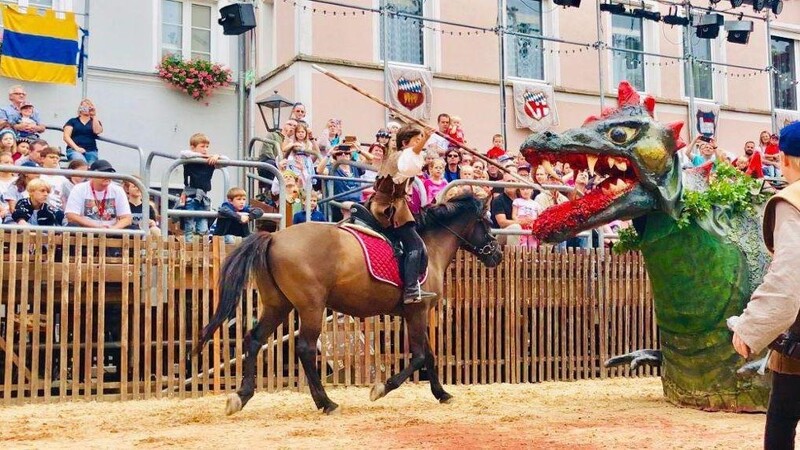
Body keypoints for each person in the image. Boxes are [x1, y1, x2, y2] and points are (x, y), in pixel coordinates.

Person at [731, 121, 800, 449]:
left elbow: (788, 278)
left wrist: (750, 328)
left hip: (798, 347)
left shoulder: (794, 199)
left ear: (786, 159)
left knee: (781, 425)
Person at [366, 125, 436, 303]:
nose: (420, 144)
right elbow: (411, 162)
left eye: (420, 140)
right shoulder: (401, 157)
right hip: (387, 208)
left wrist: (422, 141)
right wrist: (426, 139)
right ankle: (411, 290)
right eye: (416, 140)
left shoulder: (401, 157)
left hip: (393, 205)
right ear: (405, 143)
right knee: (415, 246)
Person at [180, 133, 226, 243]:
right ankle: (188, 245)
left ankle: (203, 247)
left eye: (207, 147)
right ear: (193, 147)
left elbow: (226, 161)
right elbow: (183, 154)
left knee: (203, 225)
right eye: (202, 146)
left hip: (203, 196)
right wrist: (203, 157)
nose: (205, 150)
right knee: (189, 224)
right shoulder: (190, 158)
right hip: (191, 195)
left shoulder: (210, 161)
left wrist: (217, 156)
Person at [64, 159, 132, 229]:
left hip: (111, 230)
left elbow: (127, 218)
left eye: (110, 173)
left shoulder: (118, 190)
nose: (107, 176)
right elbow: (71, 216)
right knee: (72, 226)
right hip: (85, 230)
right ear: (92, 175)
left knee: (133, 229)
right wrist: (97, 227)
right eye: (103, 173)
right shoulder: (79, 188)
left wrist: (113, 229)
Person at [63, 98, 103, 164]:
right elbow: (66, 136)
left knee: (92, 168)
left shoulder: (95, 122)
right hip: (74, 150)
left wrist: (93, 115)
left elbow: (97, 131)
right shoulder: (73, 121)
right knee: (80, 163)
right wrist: (76, 148)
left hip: (91, 151)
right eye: (84, 106)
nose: (86, 108)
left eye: (88, 107)